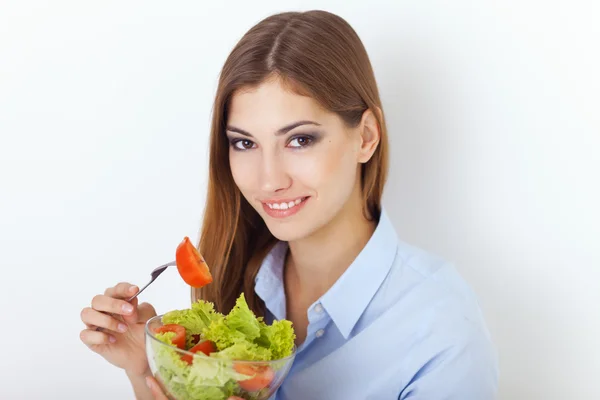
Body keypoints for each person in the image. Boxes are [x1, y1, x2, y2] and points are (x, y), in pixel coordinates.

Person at [79, 9, 498, 400]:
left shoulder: (440, 330)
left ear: (366, 136)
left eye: (299, 140)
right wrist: (150, 369)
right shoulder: (231, 282)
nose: (268, 180)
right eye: (245, 143)